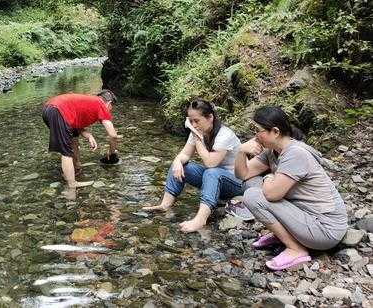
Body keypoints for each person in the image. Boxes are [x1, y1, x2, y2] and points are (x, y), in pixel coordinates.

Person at [236, 106, 347, 271]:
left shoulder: (295, 153)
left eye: (257, 130)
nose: (255, 135)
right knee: (250, 184)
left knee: (253, 196)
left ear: (275, 131)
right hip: (306, 216)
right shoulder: (272, 152)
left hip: (325, 229)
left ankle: (296, 249)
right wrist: (241, 152)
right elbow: (243, 175)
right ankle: (285, 236)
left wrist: (268, 177)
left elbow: (272, 194)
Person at [144, 99, 242, 233]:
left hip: (235, 183)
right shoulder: (197, 132)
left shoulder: (224, 134)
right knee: (180, 165)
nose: (193, 125)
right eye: (190, 121)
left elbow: (210, 163)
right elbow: (184, 155)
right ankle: (165, 205)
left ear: (210, 117)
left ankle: (201, 219)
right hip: (212, 180)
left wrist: (197, 138)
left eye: (197, 121)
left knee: (211, 172)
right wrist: (178, 162)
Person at [42, 90, 122, 188]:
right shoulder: (101, 104)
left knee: (73, 138)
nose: (110, 110)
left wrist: (88, 135)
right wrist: (112, 153)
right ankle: (72, 183)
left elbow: (75, 121)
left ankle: (76, 166)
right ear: (109, 103)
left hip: (50, 109)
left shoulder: (91, 102)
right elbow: (113, 135)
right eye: (111, 108)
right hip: (57, 111)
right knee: (66, 151)